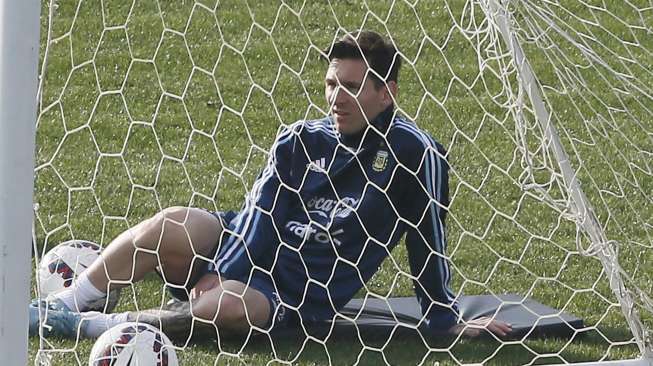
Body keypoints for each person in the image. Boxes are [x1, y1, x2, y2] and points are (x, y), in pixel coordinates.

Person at [29, 30, 511, 339]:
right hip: (242, 245)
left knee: (229, 306)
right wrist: (225, 266)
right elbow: (259, 211)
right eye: (330, 83)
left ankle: (93, 325)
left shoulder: (415, 155)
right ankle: (64, 302)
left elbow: (427, 239)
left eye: (351, 86)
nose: (335, 98)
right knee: (172, 223)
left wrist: (446, 320)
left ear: (387, 93)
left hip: (294, 290)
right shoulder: (301, 139)